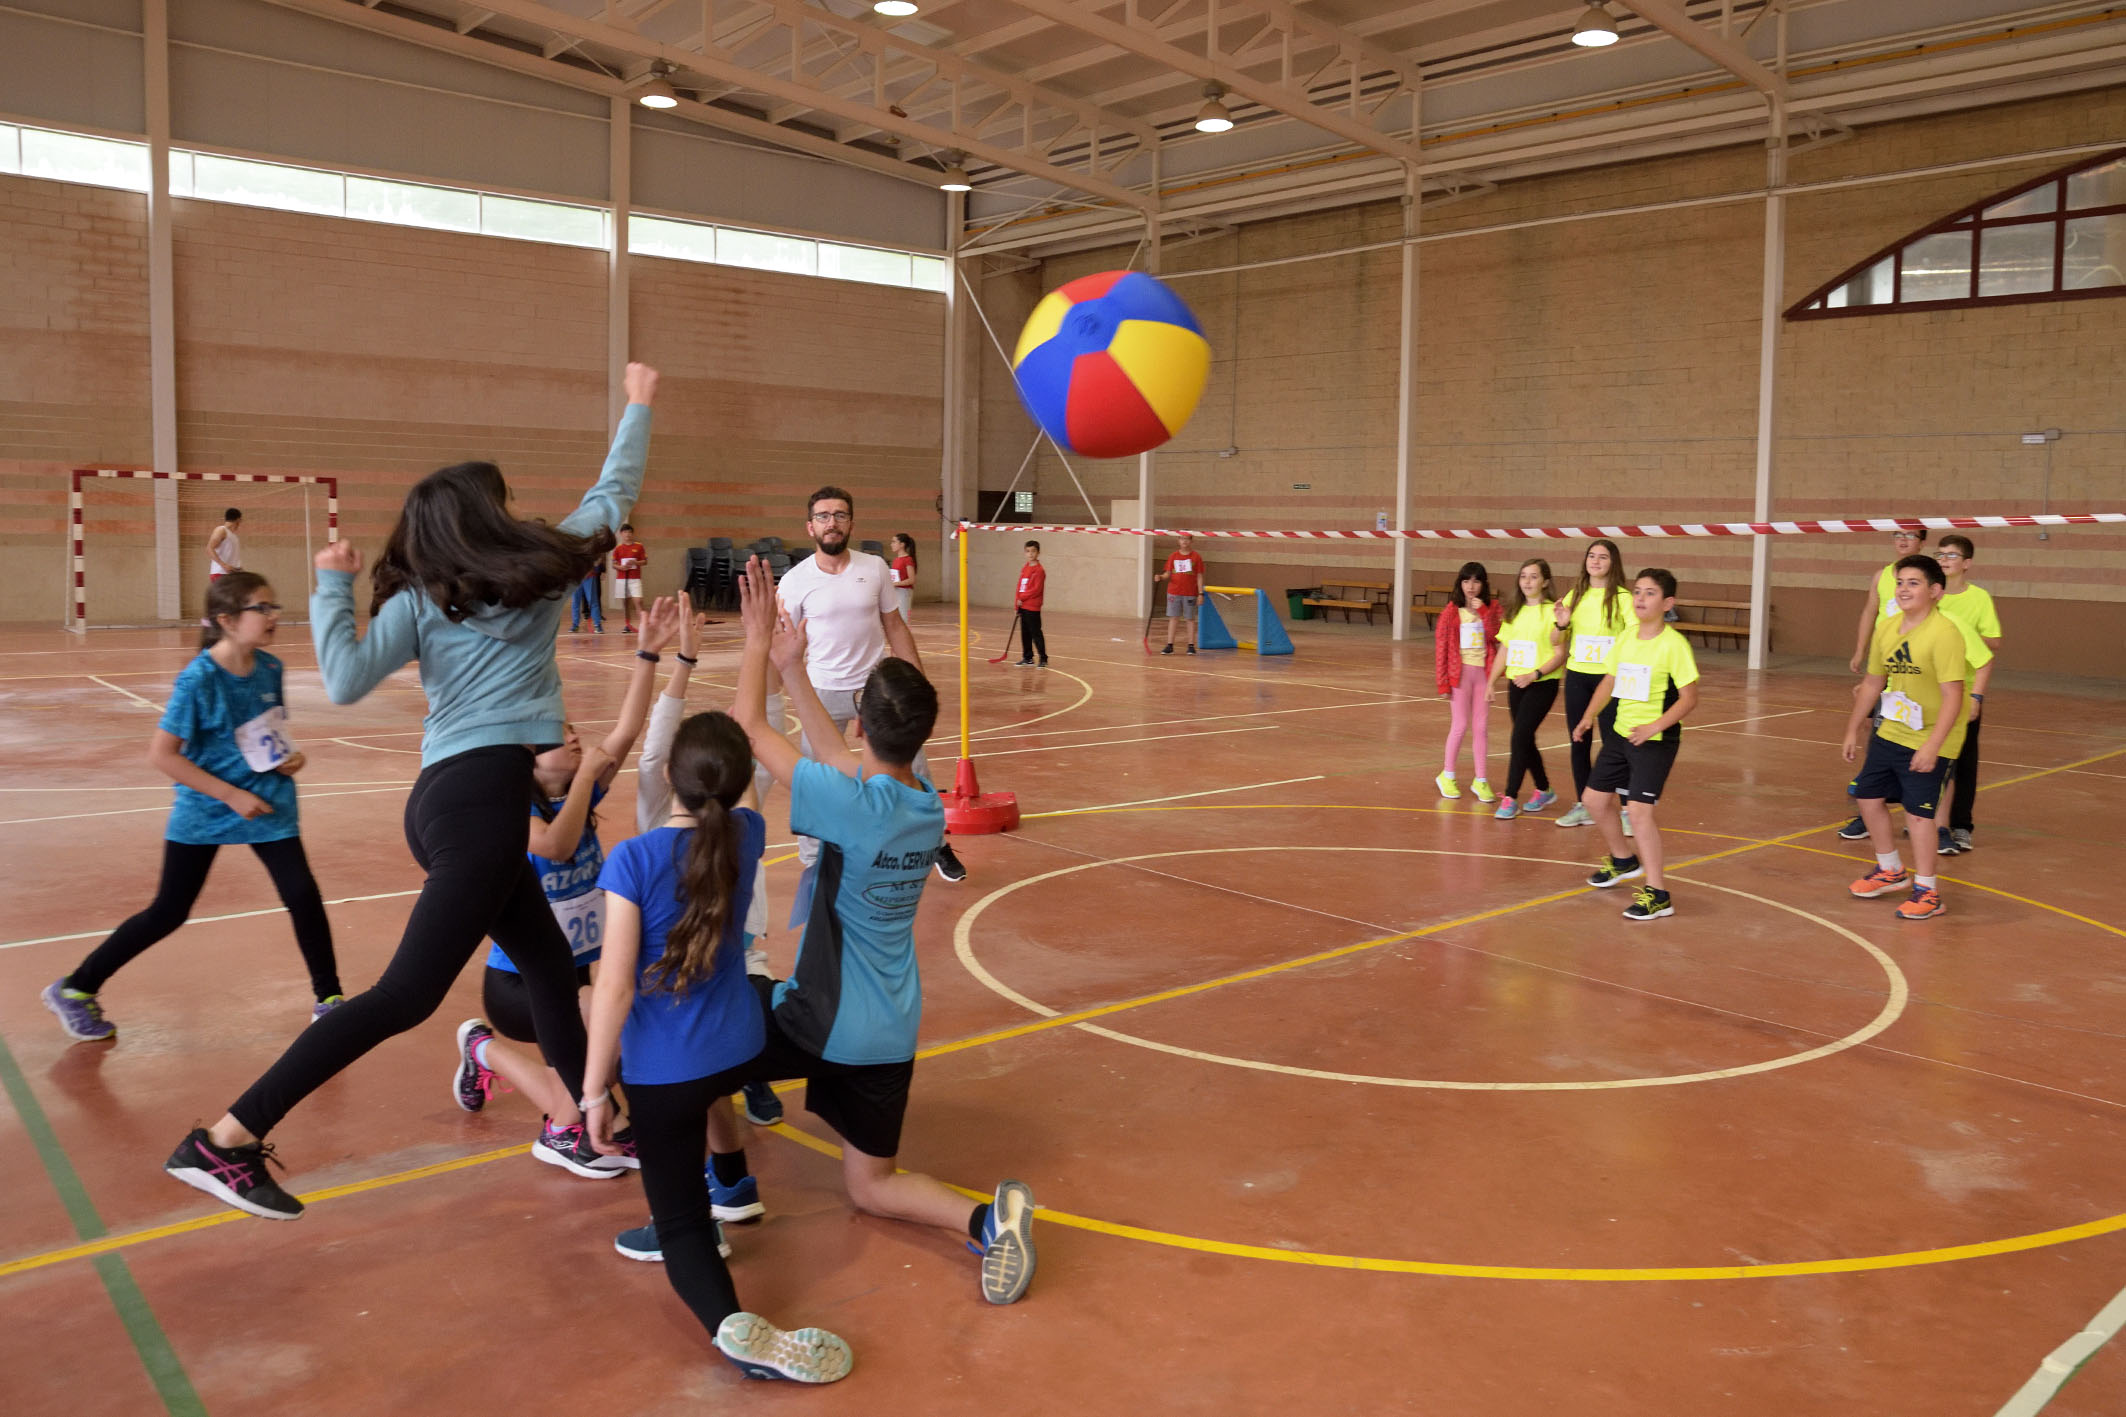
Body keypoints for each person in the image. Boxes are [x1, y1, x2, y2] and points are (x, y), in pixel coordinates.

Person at [162, 362, 660, 1222]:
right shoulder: (543, 577)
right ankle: (228, 1138)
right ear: (487, 517)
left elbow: (347, 677)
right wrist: (639, 405)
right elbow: (612, 494)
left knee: (547, 962)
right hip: (481, 805)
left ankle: (582, 1119)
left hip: (441, 800)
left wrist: (332, 582)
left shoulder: (425, 600)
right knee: (405, 995)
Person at [580, 683, 846, 1383]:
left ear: (669, 774)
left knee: (681, 1227)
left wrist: (593, 1091)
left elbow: (613, 986)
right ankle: (731, 1182)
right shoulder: (746, 837)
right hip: (737, 1051)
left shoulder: (633, 859)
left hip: (664, 1073)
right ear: (736, 782)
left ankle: (732, 1326)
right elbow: (746, 793)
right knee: (711, 1099)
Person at [42, 572, 343, 1042]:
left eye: (274, 607)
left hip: (268, 804)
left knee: (302, 895)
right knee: (169, 910)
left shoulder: (271, 668)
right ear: (227, 620)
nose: (273, 616)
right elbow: (163, 755)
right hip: (207, 808)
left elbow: (268, 735)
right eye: (261, 608)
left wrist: (291, 758)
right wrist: (230, 794)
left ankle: (330, 1000)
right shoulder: (198, 680)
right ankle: (76, 988)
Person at [451, 599, 685, 1180]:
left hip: (573, 973)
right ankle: (558, 1124)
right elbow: (556, 845)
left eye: (575, 730)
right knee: (603, 1038)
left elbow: (627, 730)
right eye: (560, 737)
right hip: (517, 985)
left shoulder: (580, 793)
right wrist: (585, 780)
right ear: (528, 761)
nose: (576, 739)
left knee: (587, 1071)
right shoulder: (515, 813)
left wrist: (650, 654)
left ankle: (483, 1052)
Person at [775, 486, 964, 884]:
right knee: (814, 778)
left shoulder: (875, 567)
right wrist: (767, 698)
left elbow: (894, 625)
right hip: (823, 691)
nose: (832, 522)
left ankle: (934, 842)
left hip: (877, 688)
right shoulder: (793, 582)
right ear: (810, 527)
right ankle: (813, 860)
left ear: (851, 523)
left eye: (840, 515)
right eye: (823, 516)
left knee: (914, 765)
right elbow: (784, 644)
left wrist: (918, 686)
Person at [1842, 553, 1968, 922]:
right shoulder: (1887, 627)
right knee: (1867, 797)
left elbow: (1953, 696)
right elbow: (1873, 683)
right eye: (1899, 583)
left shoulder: (1944, 633)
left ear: (1936, 591)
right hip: (1892, 730)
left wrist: (1933, 746)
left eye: (1913, 583)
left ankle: (1928, 892)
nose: (1903, 589)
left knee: (1918, 815)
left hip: (1932, 737)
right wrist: (1852, 728)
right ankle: (1890, 870)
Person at [1571, 568, 1700, 921]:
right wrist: (1588, 716)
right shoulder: (1627, 636)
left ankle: (1658, 894)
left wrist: (1653, 726)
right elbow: (1609, 681)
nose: (1641, 598)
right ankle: (1624, 860)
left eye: (1650, 593)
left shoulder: (1674, 645)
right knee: (1593, 800)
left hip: (1655, 739)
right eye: (1638, 591)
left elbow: (1689, 698)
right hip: (1620, 734)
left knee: (1639, 812)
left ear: (1668, 603)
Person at [1837, 525, 1927, 839]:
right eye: (1897, 534)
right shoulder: (1881, 576)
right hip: (1885, 661)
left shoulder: (1929, 577)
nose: (1902, 540)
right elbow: (1870, 612)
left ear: (1922, 542)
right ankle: (1870, 804)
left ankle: (1918, 812)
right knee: (1875, 726)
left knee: (1908, 734)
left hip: (1914, 666)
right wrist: (1861, 649)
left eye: (1910, 535)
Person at [1552, 539, 1630, 830]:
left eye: (1603, 557)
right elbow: (1555, 639)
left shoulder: (1623, 598)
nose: (1595, 561)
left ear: (1613, 563)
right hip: (1577, 676)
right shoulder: (1575, 595)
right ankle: (1583, 805)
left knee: (1615, 745)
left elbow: (1635, 635)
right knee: (1578, 741)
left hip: (1610, 679)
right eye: (1591, 556)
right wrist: (1561, 624)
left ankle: (1626, 810)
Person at [1934, 533, 2001, 856]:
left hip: (1964, 689)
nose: (1944, 560)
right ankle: (1928, 817)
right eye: (1940, 554)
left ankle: (1961, 825)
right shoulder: (1931, 595)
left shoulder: (1979, 598)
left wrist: (1976, 696)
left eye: (1951, 555)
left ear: (1967, 563)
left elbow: (1993, 642)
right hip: (1929, 689)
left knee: (1963, 762)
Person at [1487, 557, 1567, 820]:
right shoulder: (1514, 612)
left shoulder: (1553, 612)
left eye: (1533, 576)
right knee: (1525, 738)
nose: (1527, 582)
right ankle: (1544, 789)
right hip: (1516, 684)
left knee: (1519, 737)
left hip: (1542, 683)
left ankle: (1510, 797)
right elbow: (1504, 650)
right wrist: (1491, 682)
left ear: (1545, 582)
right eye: (1523, 576)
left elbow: (1560, 654)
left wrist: (1535, 674)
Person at [1433, 561, 1501, 802]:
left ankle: (1481, 779)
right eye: (1466, 581)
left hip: (1483, 675)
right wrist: (1443, 683)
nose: (1471, 586)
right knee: (1460, 725)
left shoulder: (1492, 608)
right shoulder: (1451, 612)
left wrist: (1484, 612)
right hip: (1459, 676)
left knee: (1481, 727)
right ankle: (1447, 775)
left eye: (1476, 581)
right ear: (1459, 584)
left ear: (1483, 584)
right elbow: (1441, 648)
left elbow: (1497, 636)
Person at [1155, 534, 1204, 655]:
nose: (1184, 541)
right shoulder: (1173, 556)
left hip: (1190, 593)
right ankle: (1170, 645)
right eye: (1182, 538)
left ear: (1191, 541)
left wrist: (1200, 593)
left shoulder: (1196, 557)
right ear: (1178, 540)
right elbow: (1167, 573)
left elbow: (1199, 576)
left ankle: (1191, 646)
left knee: (1190, 618)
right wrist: (1160, 577)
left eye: (1187, 539)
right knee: (1173, 617)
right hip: (1174, 592)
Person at [1015, 540, 1048, 668]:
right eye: (1028, 551)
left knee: (1036, 633)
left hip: (1032, 607)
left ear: (1038, 552)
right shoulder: (1025, 568)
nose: (1030, 554)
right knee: (1025, 633)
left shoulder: (1039, 570)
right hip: (1022, 606)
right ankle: (1028, 657)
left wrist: (1022, 598)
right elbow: (1019, 587)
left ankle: (1043, 658)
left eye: (1033, 551)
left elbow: (1036, 590)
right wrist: (1017, 604)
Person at [614, 523, 648, 633]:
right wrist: (620, 567)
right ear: (621, 534)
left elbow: (645, 561)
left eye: (629, 532)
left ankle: (643, 625)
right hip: (622, 579)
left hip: (635, 579)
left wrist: (635, 562)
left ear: (632, 534)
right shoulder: (618, 548)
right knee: (625, 603)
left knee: (638, 601)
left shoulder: (639, 546)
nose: (627, 534)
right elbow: (614, 564)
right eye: (625, 532)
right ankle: (627, 625)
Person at [571, 552, 606, 634]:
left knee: (592, 601)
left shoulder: (590, 546)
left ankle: (597, 625)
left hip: (589, 577)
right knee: (575, 601)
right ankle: (575, 625)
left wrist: (596, 566)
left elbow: (599, 557)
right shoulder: (572, 547)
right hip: (576, 578)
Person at [889, 534, 919, 625]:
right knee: (897, 619)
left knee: (903, 619)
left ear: (902, 544)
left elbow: (912, 580)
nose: (891, 544)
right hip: (896, 591)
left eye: (894, 542)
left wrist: (895, 584)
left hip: (904, 592)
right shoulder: (896, 560)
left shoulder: (907, 560)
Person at [207, 509, 242, 580]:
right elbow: (209, 548)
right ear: (238, 520)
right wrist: (224, 565)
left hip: (231, 574)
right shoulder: (221, 530)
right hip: (220, 573)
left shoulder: (234, 536)